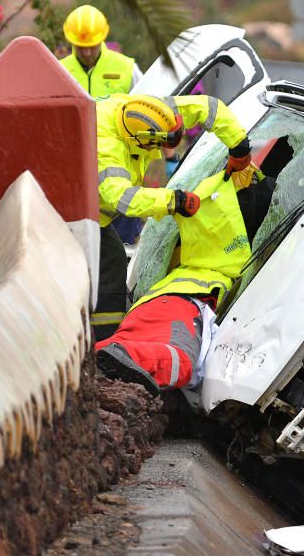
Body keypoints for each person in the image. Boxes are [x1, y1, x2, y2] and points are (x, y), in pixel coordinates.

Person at [94, 155, 262, 394]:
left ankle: (84, 361)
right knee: (178, 363)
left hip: (151, 305)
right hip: (182, 307)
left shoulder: (191, 253)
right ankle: (105, 356)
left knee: (123, 348)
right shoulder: (231, 260)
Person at [90, 93, 252, 341]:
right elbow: (124, 199)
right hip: (76, 216)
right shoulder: (106, 148)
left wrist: (239, 145)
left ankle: (103, 336)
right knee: (109, 266)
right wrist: (174, 201)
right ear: (141, 140)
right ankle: (102, 341)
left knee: (109, 264)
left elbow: (208, 108)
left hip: (95, 216)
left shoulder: (153, 111)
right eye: (157, 146)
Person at [60, 5, 142, 98]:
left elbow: (148, 104)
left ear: (102, 39)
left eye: (92, 47)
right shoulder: (58, 71)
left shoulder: (128, 69)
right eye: (81, 47)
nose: (87, 53)